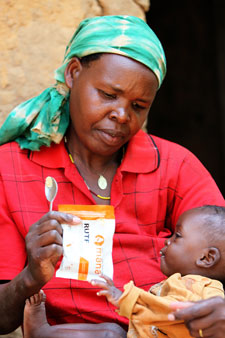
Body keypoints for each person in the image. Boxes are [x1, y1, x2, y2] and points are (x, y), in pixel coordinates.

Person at [0, 14, 224, 337]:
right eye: (108, 95)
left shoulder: (176, 166)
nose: (121, 115)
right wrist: (30, 277)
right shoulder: (11, 170)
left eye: (139, 105)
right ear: (74, 73)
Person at [89, 205, 225, 338]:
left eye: (177, 236)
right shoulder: (180, 281)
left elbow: (175, 311)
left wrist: (127, 299)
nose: (167, 242)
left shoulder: (206, 289)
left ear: (206, 258)